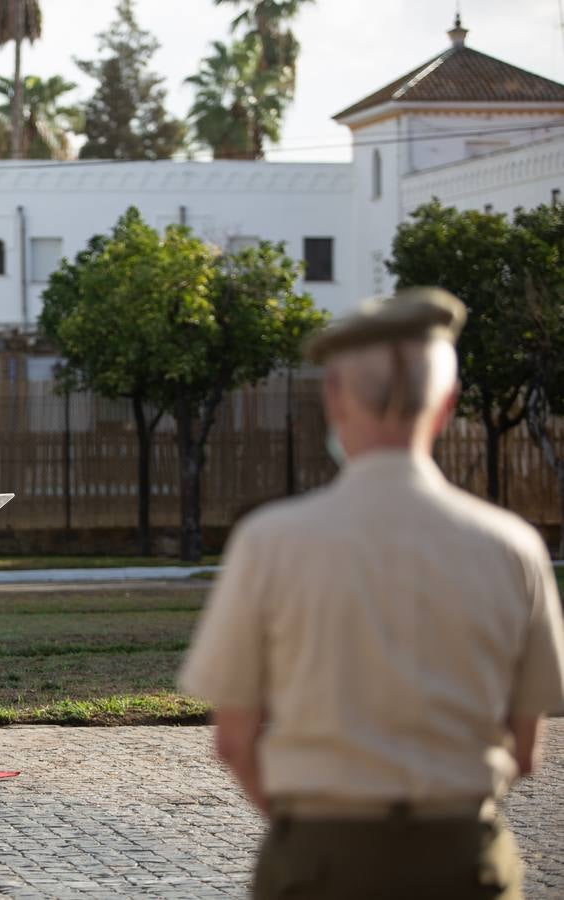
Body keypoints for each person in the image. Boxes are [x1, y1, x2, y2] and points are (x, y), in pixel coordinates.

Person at [179, 287, 564, 900]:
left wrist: (306, 829)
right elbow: (525, 748)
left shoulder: (270, 542)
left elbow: (233, 740)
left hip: (318, 860)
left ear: (333, 397)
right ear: (449, 404)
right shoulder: (512, 547)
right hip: (463, 857)